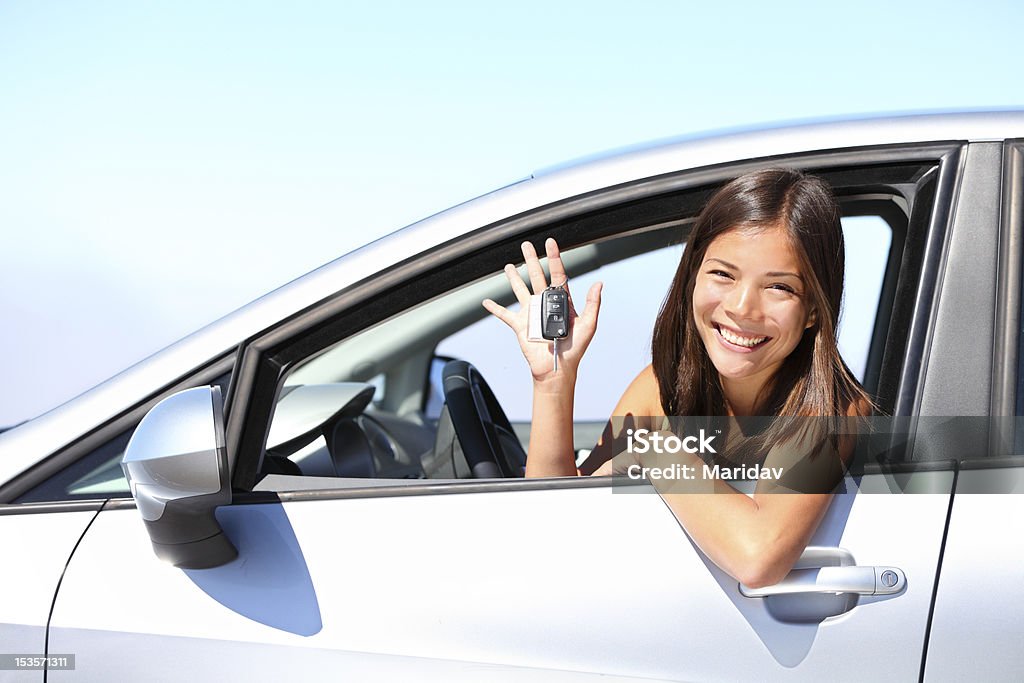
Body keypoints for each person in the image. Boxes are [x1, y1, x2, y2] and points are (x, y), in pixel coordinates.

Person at [482, 168, 873, 588]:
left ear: (814, 309)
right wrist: (553, 382)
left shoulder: (833, 409)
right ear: (691, 278)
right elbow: (556, 520)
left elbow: (758, 558)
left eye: (779, 287)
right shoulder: (660, 388)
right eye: (723, 274)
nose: (743, 307)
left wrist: (654, 451)